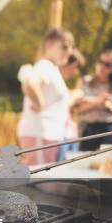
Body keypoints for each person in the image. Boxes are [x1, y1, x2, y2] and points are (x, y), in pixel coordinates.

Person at [17, 28, 73, 165]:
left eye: (72, 47)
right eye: (65, 46)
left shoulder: (52, 68)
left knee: (42, 182)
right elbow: (30, 83)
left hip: (46, 135)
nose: (69, 51)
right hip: (40, 134)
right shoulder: (45, 66)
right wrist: (39, 103)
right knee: (39, 182)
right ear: (48, 44)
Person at [73, 49, 112, 151]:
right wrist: (96, 103)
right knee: (85, 163)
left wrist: (110, 106)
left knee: (110, 163)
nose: (102, 67)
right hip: (89, 129)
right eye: (100, 62)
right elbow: (76, 110)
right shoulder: (84, 81)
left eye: (107, 64)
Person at [56, 49, 86, 161]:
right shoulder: (54, 79)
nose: (76, 72)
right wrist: (76, 95)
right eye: (76, 67)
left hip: (70, 135)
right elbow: (62, 106)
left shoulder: (61, 83)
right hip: (60, 137)